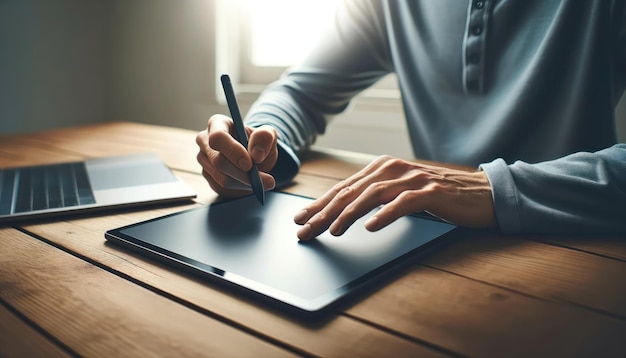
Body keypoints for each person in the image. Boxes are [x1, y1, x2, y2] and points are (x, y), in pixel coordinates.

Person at [197, 0, 626, 241]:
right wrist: (257, 141)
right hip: (431, 238)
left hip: (579, 245)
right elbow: (301, 92)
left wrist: (494, 189)